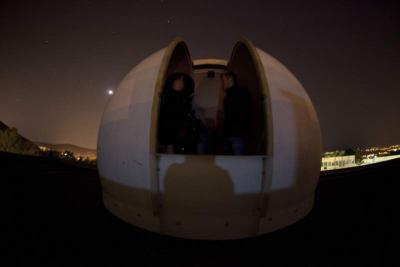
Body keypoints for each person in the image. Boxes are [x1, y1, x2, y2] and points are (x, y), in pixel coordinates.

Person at [158, 72, 200, 154]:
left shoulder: (184, 99)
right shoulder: (167, 97)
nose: (180, 83)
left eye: (182, 82)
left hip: (178, 130)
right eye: (178, 81)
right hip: (169, 128)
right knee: (170, 147)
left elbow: (185, 112)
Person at [220, 71, 252, 155]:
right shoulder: (231, 93)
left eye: (223, 80)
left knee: (237, 159)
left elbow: (238, 112)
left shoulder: (238, 93)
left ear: (230, 78)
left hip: (236, 133)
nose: (222, 83)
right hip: (232, 132)